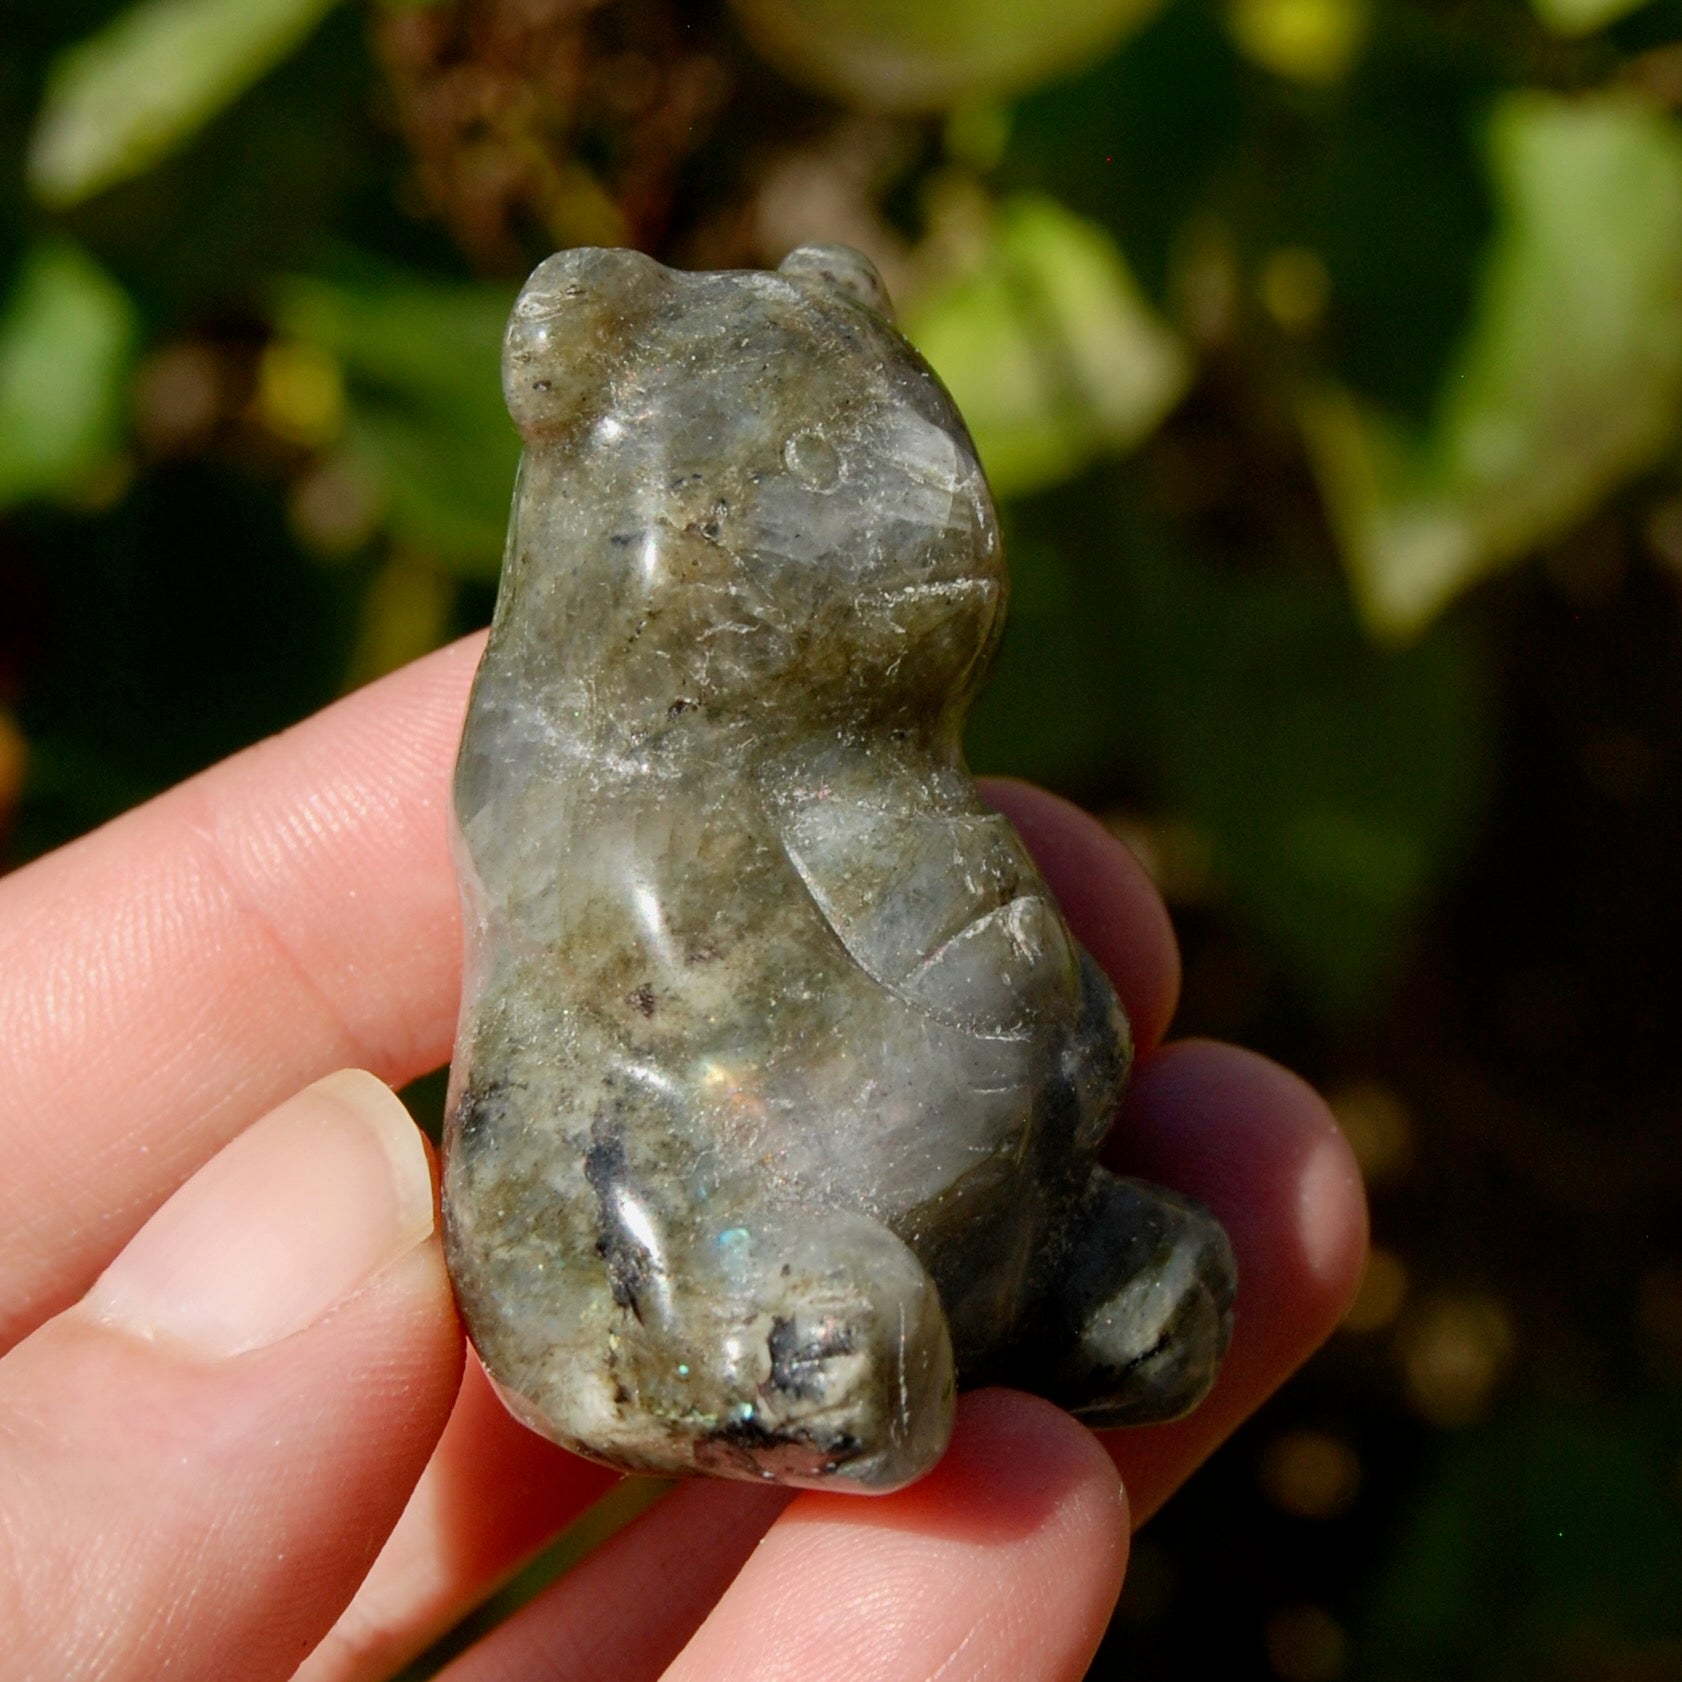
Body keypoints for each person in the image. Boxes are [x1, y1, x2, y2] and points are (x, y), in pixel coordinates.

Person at [0, 634, 1367, 1682]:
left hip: (968, 1137)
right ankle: (803, 1339)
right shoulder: (604, 746)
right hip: (694, 1224)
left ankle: (1045, 1272)